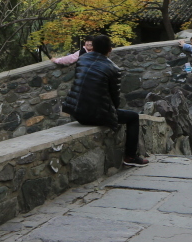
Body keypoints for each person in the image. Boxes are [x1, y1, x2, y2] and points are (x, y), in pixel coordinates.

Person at [62, 35, 149, 166]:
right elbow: (115, 99)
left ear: (93, 47)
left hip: (76, 112)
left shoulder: (82, 59)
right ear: (110, 49)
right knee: (133, 117)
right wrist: (112, 114)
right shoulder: (113, 68)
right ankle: (130, 157)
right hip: (95, 116)